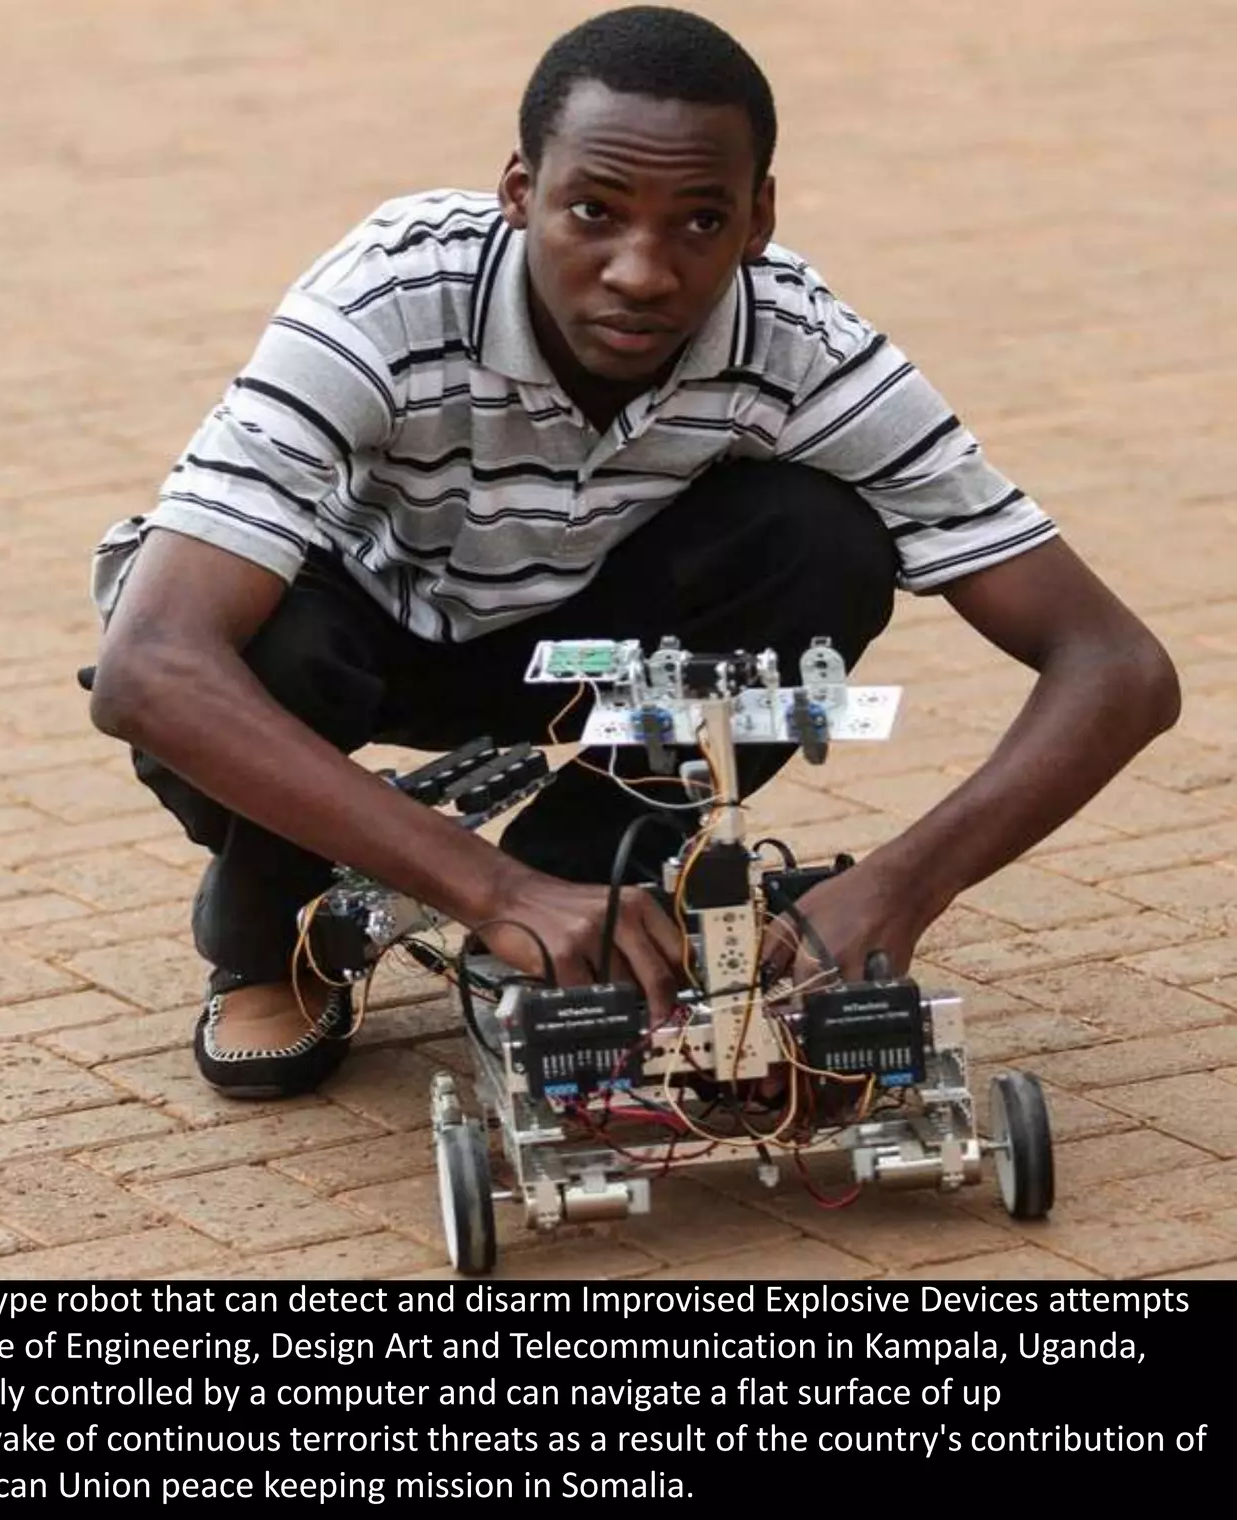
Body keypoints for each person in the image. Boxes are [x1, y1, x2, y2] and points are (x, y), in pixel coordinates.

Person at [83, 6, 1180, 1099]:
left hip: (584, 665)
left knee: (823, 540)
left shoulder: (797, 344)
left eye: (698, 222)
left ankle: (591, 883)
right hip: (366, 631)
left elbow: (1114, 667)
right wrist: (486, 883)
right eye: (593, 212)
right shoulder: (388, 294)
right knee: (252, 641)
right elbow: (151, 668)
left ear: (757, 218)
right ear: (518, 193)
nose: (641, 272)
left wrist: (904, 883)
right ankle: (268, 921)